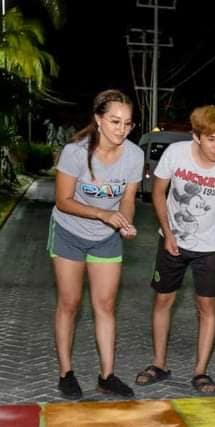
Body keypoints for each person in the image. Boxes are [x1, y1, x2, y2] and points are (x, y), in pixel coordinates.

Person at [136, 105, 215, 393]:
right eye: (212, 139)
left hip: (208, 248)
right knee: (163, 301)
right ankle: (159, 364)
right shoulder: (175, 154)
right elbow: (158, 192)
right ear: (196, 136)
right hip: (171, 240)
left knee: (207, 307)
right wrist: (168, 233)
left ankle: (201, 371)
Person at [49, 89, 142, 399]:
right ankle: (66, 372)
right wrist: (103, 213)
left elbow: (127, 199)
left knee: (105, 306)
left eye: (128, 124)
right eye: (115, 121)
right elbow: (62, 201)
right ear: (98, 120)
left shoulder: (134, 154)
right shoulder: (75, 152)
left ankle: (107, 375)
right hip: (69, 232)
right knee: (70, 303)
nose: (122, 129)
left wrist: (124, 221)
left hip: (105, 238)